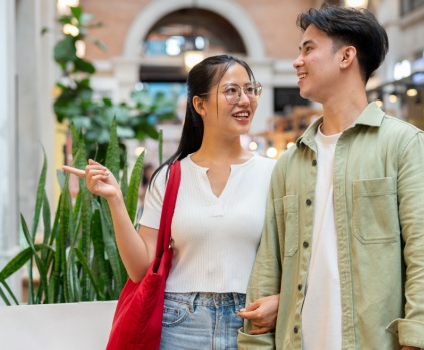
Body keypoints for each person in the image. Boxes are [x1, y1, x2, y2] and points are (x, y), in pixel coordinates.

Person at [237, 5, 424, 350]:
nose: (297, 61)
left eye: (309, 49)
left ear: (346, 56)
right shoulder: (290, 162)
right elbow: (268, 264)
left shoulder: (405, 146)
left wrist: (418, 342)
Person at [63, 55, 279, 349]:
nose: (245, 100)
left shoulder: (274, 173)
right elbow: (141, 268)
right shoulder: (170, 177)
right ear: (199, 105)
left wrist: (280, 300)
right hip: (180, 325)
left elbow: (293, 257)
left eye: (250, 89)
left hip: (250, 325)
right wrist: (114, 199)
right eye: (231, 90)